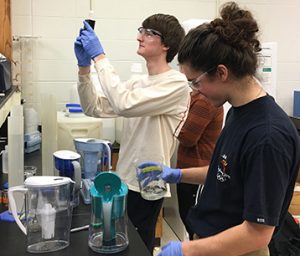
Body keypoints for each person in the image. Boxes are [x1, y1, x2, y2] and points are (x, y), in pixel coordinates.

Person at [140, 2, 300, 255]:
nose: (194, 90)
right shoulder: (238, 111)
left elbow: (257, 234)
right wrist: (177, 174)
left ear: (222, 72)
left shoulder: (267, 136)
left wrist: (187, 250)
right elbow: (225, 172)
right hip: (212, 241)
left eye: (195, 82)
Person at [73, 14, 190, 253]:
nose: (139, 37)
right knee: (119, 241)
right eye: (141, 30)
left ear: (166, 44)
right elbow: (94, 107)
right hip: (124, 179)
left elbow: (124, 104)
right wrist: (84, 69)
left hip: (149, 183)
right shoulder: (138, 83)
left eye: (148, 33)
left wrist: (99, 56)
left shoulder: (176, 84)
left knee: (139, 245)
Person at [176, 89, 224, 240]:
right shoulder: (196, 96)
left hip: (196, 172)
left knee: (194, 223)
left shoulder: (204, 100)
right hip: (190, 170)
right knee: (189, 220)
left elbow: (187, 138)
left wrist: (168, 120)